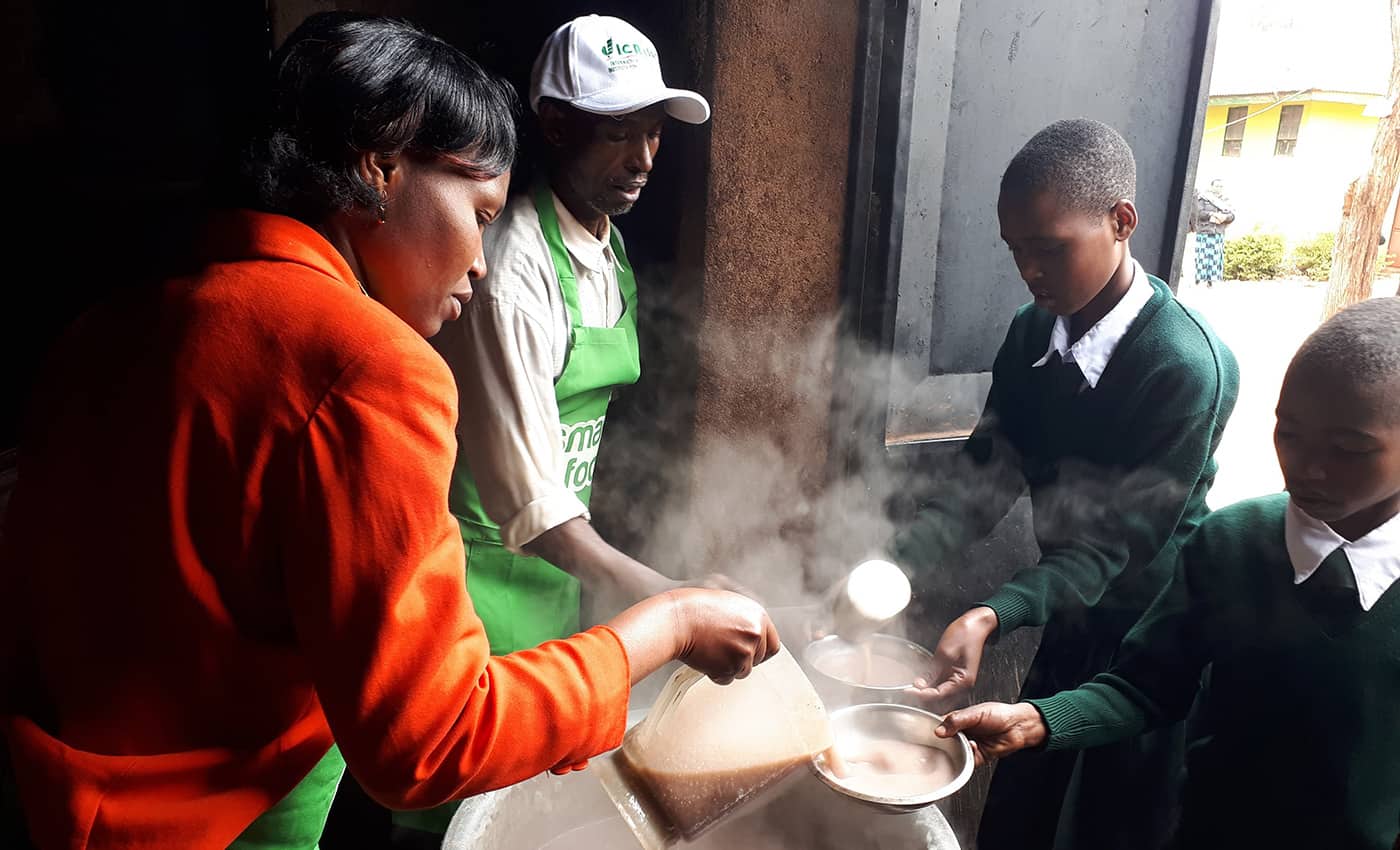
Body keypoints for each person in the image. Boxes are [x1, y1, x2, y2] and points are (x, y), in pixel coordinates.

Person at [0, 13, 779, 850]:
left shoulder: (112, 322)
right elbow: (429, 741)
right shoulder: (368, 366)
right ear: (382, 168)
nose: (480, 261)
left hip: (54, 798)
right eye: (479, 213)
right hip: (215, 819)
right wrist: (669, 625)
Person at [937, 297, 1400, 850]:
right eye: (1289, 433)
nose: (1307, 468)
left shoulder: (1182, 365)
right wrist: (1038, 720)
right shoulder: (1232, 542)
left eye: (1349, 448)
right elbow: (1147, 686)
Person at [891, 118, 1239, 850]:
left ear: (1121, 221)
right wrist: (893, 569)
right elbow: (984, 475)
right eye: (1017, 251)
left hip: (1148, 638)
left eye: (1049, 248)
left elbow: (1112, 549)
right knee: (1018, 811)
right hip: (1070, 618)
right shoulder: (1031, 333)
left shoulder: (1184, 367)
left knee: (1109, 824)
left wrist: (991, 613)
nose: (1030, 271)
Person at [1192, 178, 1234, 287]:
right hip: (1205, 231)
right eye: (1216, 186)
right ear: (1211, 187)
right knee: (1202, 255)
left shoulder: (1226, 200)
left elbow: (1232, 215)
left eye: (1220, 186)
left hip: (1218, 232)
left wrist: (1224, 217)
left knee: (1214, 257)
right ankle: (1199, 278)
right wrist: (1212, 215)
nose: (1218, 188)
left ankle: (1211, 280)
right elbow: (1199, 213)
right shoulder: (1204, 198)